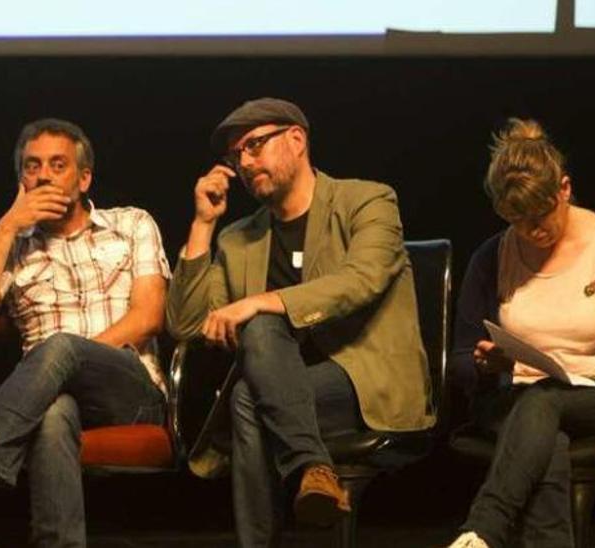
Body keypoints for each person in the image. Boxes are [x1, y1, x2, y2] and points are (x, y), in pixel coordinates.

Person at [166, 98, 434, 546]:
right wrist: (202, 224)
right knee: (252, 380)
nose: (245, 163)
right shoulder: (238, 238)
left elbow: (360, 281)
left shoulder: (367, 200)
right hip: (286, 388)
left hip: (365, 383)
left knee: (251, 378)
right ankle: (312, 467)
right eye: (236, 156)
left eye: (254, 145)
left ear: (296, 139)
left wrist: (263, 302)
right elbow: (188, 324)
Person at [0, 118, 170, 547]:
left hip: (129, 390)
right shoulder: (14, 246)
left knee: (61, 348)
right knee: (55, 416)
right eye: (33, 166)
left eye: (58, 165)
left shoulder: (132, 224)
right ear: (21, 178)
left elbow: (148, 315)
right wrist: (7, 226)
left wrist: (71, 355)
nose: (44, 175)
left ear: (84, 177)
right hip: (45, 397)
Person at [446, 119, 595, 548]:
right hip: (513, 399)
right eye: (518, 220)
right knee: (544, 440)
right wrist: (482, 364)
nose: (534, 231)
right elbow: (459, 358)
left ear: (564, 189)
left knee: (542, 399)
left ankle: (481, 532)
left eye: (542, 216)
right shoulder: (490, 258)